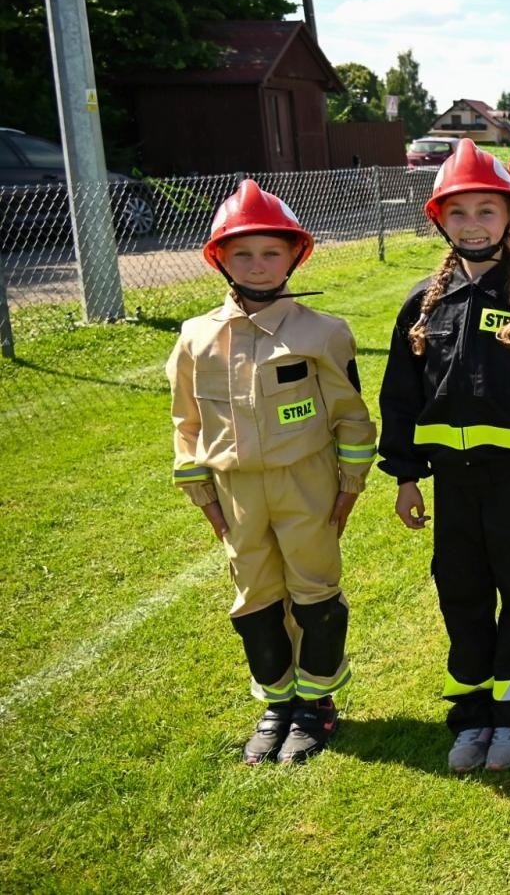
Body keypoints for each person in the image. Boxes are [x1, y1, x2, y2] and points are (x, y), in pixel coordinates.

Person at [378, 139, 510, 773]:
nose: (473, 224)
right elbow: (400, 397)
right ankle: (472, 714)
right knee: (461, 595)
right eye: (459, 212)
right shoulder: (423, 304)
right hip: (453, 489)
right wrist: (407, 476)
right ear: (439, 219)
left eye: (487, 211)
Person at [167, 179, 376, 764]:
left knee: (314, 593)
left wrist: (349, 487)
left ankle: (316, 703)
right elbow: (186, 421)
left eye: (270, 252)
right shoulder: (196, 338)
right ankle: (277, 703)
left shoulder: (323, 333)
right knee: (254, 598)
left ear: (294, 256)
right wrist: (202, 492)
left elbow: (351, 417)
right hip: (235, 491)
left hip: (304, 485)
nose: (257, 265)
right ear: (219, 259)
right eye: (242, 254)